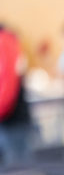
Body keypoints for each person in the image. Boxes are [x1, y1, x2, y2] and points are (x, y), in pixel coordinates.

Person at [0, 24, 33, 165]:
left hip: (11, 121)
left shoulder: (4, 44)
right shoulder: (9, 43)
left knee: (18, 169)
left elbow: (7, 89)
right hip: (10, 119)